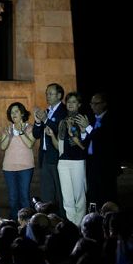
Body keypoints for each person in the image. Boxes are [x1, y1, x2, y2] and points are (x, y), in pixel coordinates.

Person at [50, 92, 87, 225]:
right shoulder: (63, 121)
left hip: (77, 161)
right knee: (67, 198)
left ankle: (80, 226)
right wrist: (52, 136)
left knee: (79, 197)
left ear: (79, 104)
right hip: (63, 162)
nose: (71, 104)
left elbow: (83, 145)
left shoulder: (82, 120)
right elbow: (59, 146)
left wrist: (72, 134)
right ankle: (72, 226)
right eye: (69, 102)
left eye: (74, 102)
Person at [31, 83, 67, 217]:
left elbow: (59, 130)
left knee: (60, 192)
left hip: (58, 157)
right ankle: (47, 220)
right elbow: (35, 134)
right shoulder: (46, 111)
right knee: (47, 192)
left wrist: (45, 119)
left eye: (50, 94)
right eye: (46, 93)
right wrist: (38, 121)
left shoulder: (63, 111)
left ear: (59, 95)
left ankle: (63, 220)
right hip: (45, 156)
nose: (47, 96)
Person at [0, 102, 36, 220]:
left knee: (24, 197)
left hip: (25, 167)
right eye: (11, 112)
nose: (13, 114)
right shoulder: (7, 129)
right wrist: (9, 135)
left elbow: (30, 144)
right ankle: (14, 224)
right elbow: (3, 147)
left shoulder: (30, 128)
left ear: (22, 113)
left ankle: (27, 224)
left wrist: (21, 131)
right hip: (9, 168)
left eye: (16, 111)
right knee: (13, 198)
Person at [80, 92, 117, 208]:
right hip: (91, 162)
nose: (93, 106)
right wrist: (82, 132)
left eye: (96, 103)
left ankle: (109, 218)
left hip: (105, 165)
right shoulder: (90, 119)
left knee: (107, 194)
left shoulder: (110, 119)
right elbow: (86, 141)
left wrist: (87, 128)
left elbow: (101, 138)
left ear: (104, 104)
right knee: (93, 194)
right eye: (91, 103)